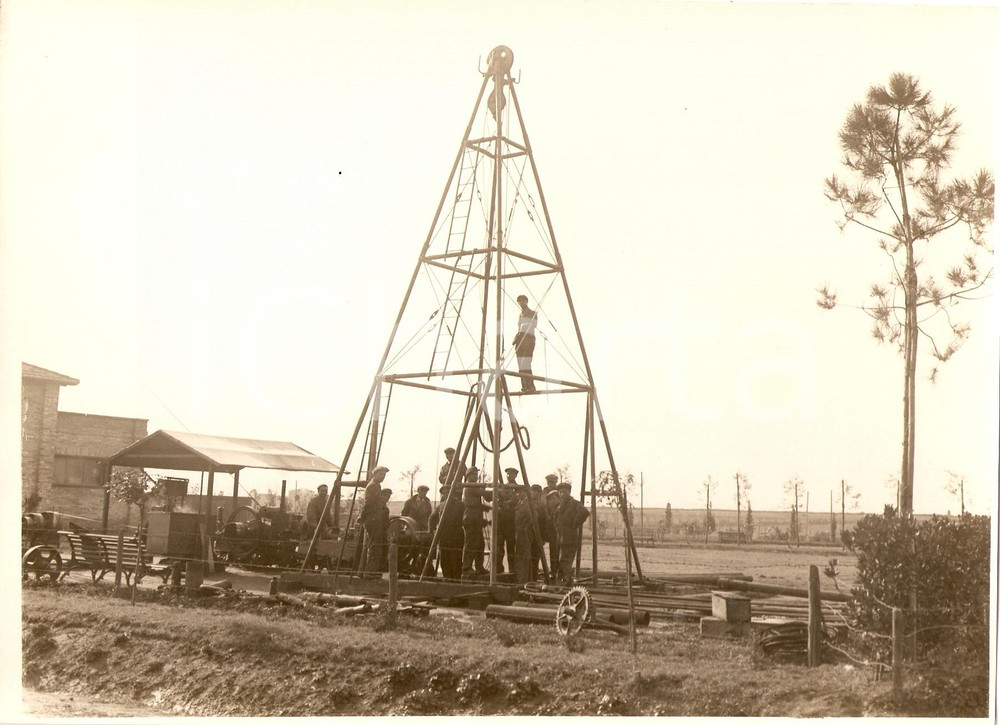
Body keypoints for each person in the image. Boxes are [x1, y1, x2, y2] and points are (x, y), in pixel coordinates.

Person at [555, 482, 590, 584]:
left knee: (566, 561)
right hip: (560, 537)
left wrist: (575, 523)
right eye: (560, 492)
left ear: (569, 492)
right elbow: (555, 518)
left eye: (565, 492)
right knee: (560, 561)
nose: (562, 494)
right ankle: (565, 581)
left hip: (570, 538)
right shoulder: (559, 505)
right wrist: (557, 527)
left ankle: (564, 581)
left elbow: (585, 512)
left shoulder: (574, 503)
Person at [430, 483, 464, 579]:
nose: (446, 495)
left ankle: (456, 579)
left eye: (448, 493)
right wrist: (432, 530)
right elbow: (432, 518)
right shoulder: (440, 506)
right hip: (444, 535)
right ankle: (447, 578)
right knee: (445, 557)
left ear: (452, 494)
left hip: (456, 534)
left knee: (456, 557)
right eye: (444, 493)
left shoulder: (460, 505)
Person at [461, 467, 491, 579]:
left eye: (476, 474)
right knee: (470, 543)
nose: (476, 476)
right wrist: (498, 491)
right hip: (471, 517)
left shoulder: (473, 486)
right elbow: (485, 495)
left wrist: (485, 507)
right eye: (474, 475)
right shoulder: (470, 486)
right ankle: (466, 568)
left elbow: (477, 500)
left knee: (479, 543)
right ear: (468, 476)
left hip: (476, 517)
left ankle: (479, 567)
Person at [360, 465, 389, 575]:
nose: (383, 477)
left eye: (384, 475)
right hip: (372, 518)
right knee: (374, 545)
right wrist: (363, 518)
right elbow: (368, 503)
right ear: (375, 474)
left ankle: (370, 571)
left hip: (375, 518)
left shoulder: (377, 486)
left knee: (375, 545)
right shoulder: (372, 486)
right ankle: (370, 572)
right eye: (381, 474)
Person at [512, 295, 537, 392]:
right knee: (520, 364)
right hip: (520, 339)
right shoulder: (520, 314)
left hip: (528, 339)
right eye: (519, 302)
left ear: (526, 301)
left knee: (525, 363)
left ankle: (530, 386)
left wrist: (524, 326)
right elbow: (519, 328)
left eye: (523, 301)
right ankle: (525, 386)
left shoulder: (532, 313)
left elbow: (533, 325)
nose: (521, 303)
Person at [496, 468, 518, 573]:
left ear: (515, 476)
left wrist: (504, 504)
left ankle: (512, 568)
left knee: (511, 546)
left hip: (511, 520)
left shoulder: (517, 488)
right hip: (501, 520)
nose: (509, 476)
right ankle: (498, 568)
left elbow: (514, 501)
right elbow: (498, 498)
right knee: (499, 545)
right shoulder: (502, 487)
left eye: (512, 474)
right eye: (508, 474)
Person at [513, 487, 534, 584]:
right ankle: (524, 579)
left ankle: (524, 580)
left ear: (525, 492)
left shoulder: (527, 504)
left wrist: (526, 528)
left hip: (525, 533)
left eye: (520, 492)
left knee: (524, 556)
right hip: (519, 532)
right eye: (517, 493)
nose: (518, 494)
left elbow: (532, 518)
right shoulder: (519, 503)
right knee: (521, 555)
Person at [545, 487, 562, 575]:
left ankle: (556, 573)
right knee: (553, 555)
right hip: (553, 536)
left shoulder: (559, 509)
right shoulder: (553, 509)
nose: (552, 501)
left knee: (556, 555)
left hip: (558, 536)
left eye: (554, 498)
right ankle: (554, 571)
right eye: (551, 499)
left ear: (559, 499)